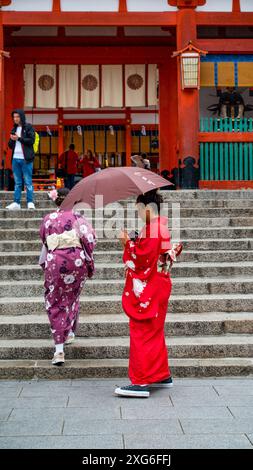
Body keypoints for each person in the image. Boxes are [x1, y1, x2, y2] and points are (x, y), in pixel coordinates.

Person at [115, 189, 176, 398]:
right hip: (160, 283)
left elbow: (142, 260)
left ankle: (140, 382)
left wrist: (127, 244)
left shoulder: (152, 229)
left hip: (150, 286)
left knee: (142, 332)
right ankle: (161, 374)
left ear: (148, 208)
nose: (139, 214)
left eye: (139, 209)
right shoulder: (159, 226)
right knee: (155, 331)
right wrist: (136, 239)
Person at [39, 188, 96, 366]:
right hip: (76, 262)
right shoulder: (79, 218)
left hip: (56, 261)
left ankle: (59, 350)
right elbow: (90, 240)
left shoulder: (48, 219)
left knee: (55, 301)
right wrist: (88, 261)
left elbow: (45, 240)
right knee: (72, 296)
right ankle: (70, 331)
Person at [6, 109, 36, 210]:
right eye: (14, 117)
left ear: (22, 117)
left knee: (28, 182)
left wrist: (18, 138)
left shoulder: (28, 127)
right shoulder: (14, 129)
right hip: (15, 158)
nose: (15, 119)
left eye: (17, 117)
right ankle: (16, 202)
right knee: (17, 182)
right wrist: (11, 139)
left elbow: (31, 141)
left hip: (26, 159)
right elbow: (10, 146)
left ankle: (30, 201)